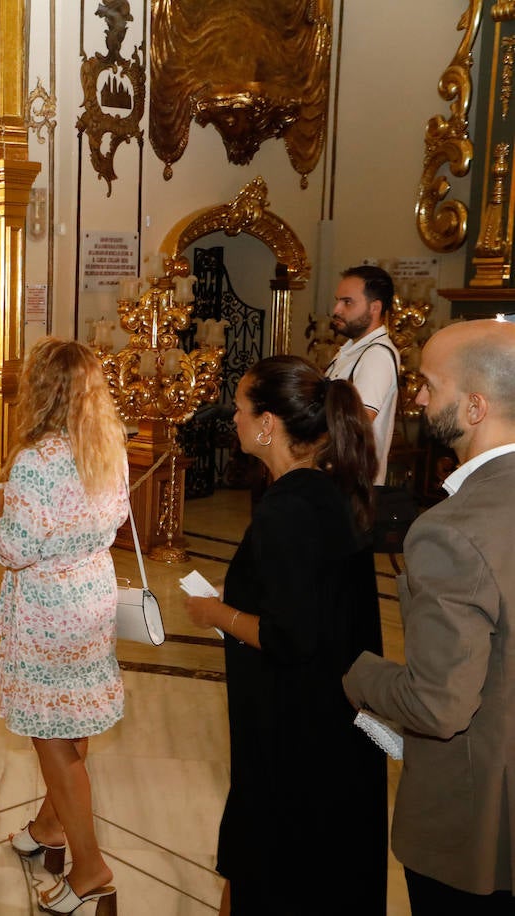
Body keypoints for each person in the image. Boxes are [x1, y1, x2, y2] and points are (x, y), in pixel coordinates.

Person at [186, 355, 386, 916]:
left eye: (242, 409)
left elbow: (290, 636)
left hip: (290, 727)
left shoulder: (287, 511)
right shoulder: (327, 492)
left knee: (271, 860)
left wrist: (214, 613)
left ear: (269, 422)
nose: (235, 421)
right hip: (327, 718)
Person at [343, 319, 515, 914]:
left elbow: (440, 706)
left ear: (473, 406)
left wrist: (357, 673)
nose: (415, 397)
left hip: (478, 828)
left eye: (428, 385)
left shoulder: (451, 530)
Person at [0, 338, 126, 915]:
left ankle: (91, 868)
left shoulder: (37, 460)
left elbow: (16, 547)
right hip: (91, 595)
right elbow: (99, 515)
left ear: (40, 390)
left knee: (51, 734)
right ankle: (49, 829)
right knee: (74, 714)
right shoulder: (106, 448)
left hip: (47, 610)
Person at [326, 265, 400, 484]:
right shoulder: (351, 350)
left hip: (353, 484)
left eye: (347, 302)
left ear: (374, 308)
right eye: (337, 300)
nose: (336, 309)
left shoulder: (376, 355)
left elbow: (358, 423)